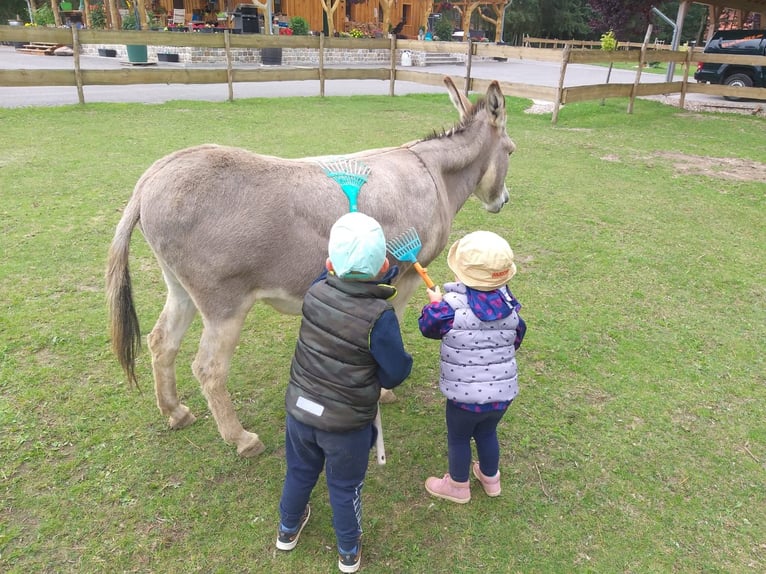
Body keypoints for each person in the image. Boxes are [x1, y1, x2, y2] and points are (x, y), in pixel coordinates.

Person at [276, 212, 413, 573]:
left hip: (300, 411)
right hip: (346, 426)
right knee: (345, 486)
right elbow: (394, 372)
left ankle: (287, 529)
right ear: (385, 264)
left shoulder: (315, 292)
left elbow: (330, 278)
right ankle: (348, 551)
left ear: (328, 264)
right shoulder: (379, 315)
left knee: (299, 471)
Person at [418, 230, 526, 504]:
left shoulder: (448, 310)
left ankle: (457, 486)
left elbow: (428, 327)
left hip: (463, 400)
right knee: (488, 433)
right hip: (502, 396)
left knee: (459, 439)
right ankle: (491, 480)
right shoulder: (511, 306)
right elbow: (516, 338)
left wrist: (434, 304)